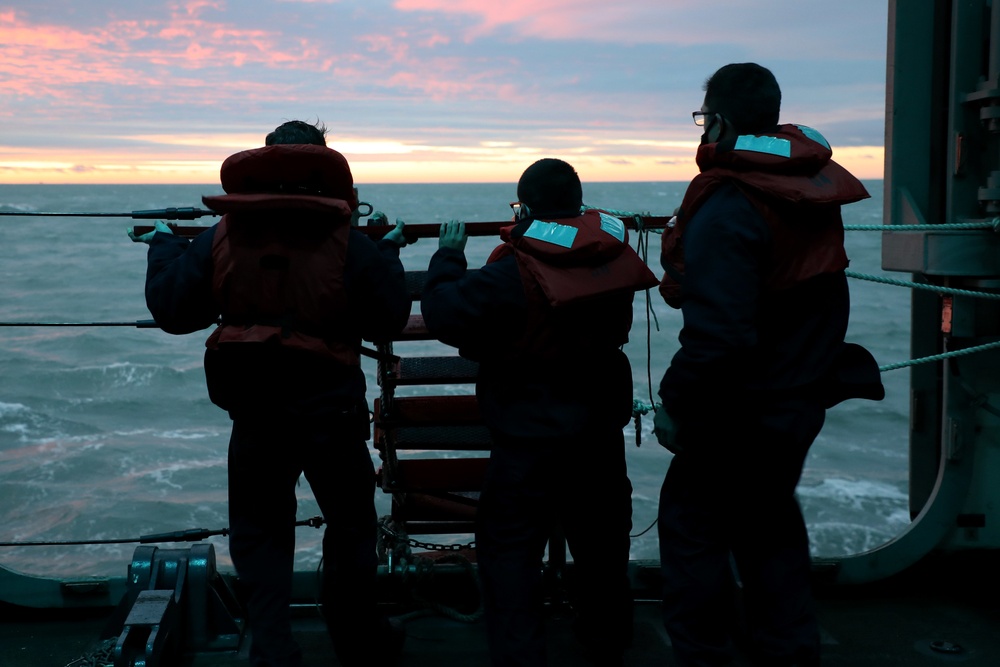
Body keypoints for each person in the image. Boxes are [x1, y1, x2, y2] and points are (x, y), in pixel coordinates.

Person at [129, 120, 411, 667]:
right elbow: (389, 318)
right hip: (332, 411)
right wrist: (391, 255)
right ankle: (359, 642)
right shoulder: (349, 244)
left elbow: (172, 310)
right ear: (325, 166)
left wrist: (163, 248)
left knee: (260, 536)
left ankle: (274, 651)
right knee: (352, 528)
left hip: (256, 412)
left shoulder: (222, 236)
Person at [653, 63, 882, 667]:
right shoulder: (804, 194)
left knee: (692, 532)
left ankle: (709, 656)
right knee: (769, 527)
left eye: (704, 120)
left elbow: (719, 338)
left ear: (720, 121)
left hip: (740, 409)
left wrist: (672, 401)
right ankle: (788, 652)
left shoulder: (729, 209)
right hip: (798, 398)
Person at [420, 158, 659, 667]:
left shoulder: (513, 270)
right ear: (578, 205)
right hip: (596, 432)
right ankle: (607, 640)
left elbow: (444, 314)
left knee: (509, 552)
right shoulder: (609, 256)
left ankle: (520, 653)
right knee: (601, 546)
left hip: (527, 439)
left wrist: (447, 257)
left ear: (525, 209)